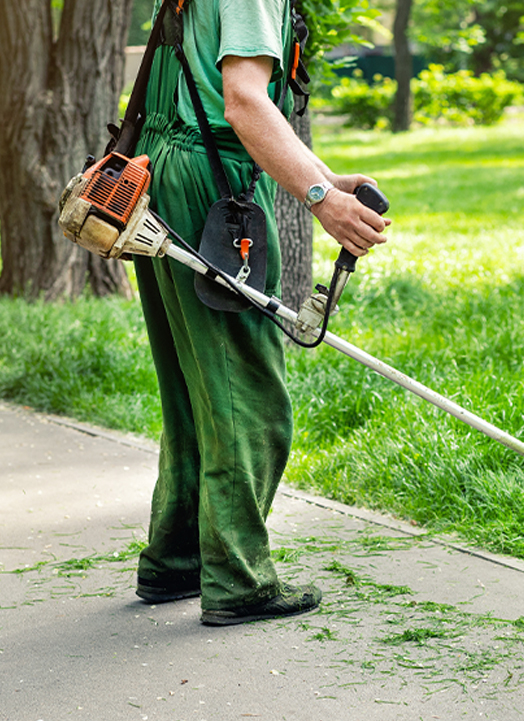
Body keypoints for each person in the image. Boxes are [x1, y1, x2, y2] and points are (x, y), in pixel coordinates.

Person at [130, 0, 389, 625]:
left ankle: (176, 561)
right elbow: (243, 102)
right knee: (247, 397)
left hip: (159, 176)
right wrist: (321, 198)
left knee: (196, 389)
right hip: (211, 190)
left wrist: (320, 172)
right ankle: (238, 580)